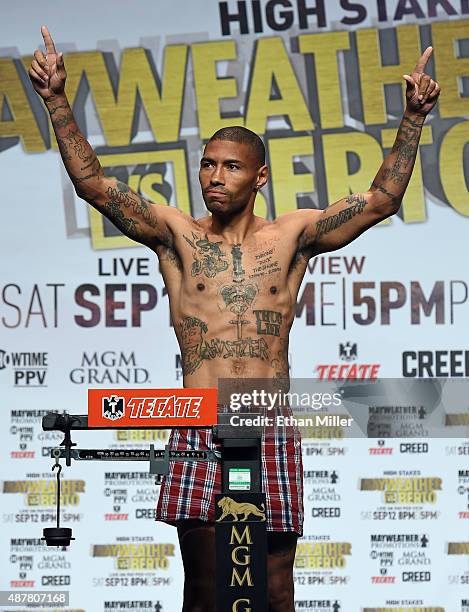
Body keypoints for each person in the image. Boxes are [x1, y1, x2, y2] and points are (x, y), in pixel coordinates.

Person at [29, 26, 440, 612]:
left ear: (259, 176)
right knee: (202, 588)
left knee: (275, 592)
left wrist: (414, 118)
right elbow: (94, 185)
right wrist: (56, 100)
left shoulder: (294, 236)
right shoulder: (177, 236)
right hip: (198, 420)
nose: (215, 177)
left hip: (268, 421)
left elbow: (380, 201)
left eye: (231, 167)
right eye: (207, 166)